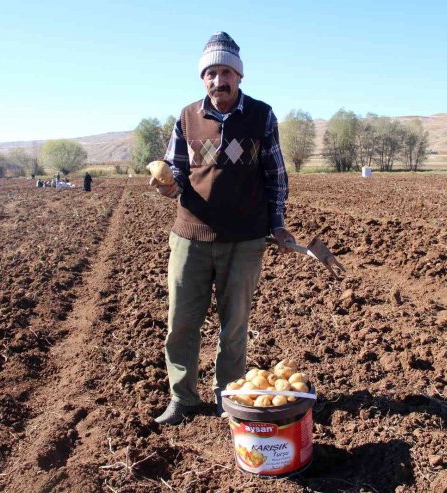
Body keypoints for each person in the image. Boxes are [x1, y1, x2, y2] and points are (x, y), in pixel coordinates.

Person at [150, 32, 295, 425]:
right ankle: (182, 399)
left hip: (244, 239)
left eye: (226, 72)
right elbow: (177, 168)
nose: (219, 81)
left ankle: (228, 397)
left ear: (239, 76)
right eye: (211, 73)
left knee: (234, 326)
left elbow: (275, 175)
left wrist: (278, 225)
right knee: (181, 322)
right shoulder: (186, 117)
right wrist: (168, 184)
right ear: (203, 78)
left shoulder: (261, 116)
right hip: (190, 236)